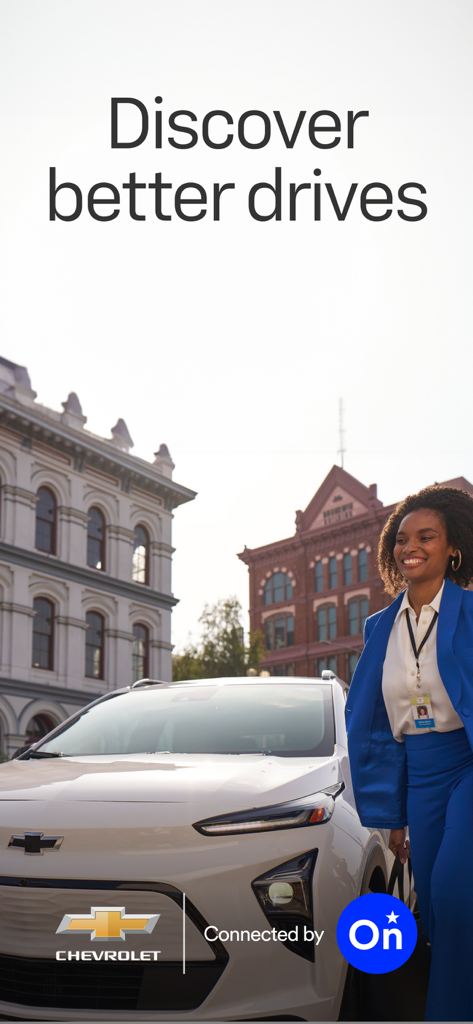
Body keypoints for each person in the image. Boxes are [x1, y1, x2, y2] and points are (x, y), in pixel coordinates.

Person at [346, 484, 473, 1023]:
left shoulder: (470, 613)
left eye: (427, 536)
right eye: (402, 539)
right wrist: (392, 815)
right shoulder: (379, 629)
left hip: (466, 765)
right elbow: (376, 728)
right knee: (437, 911)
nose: (411, 547)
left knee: (451, 890)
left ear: (452, 549)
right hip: (417, 775)